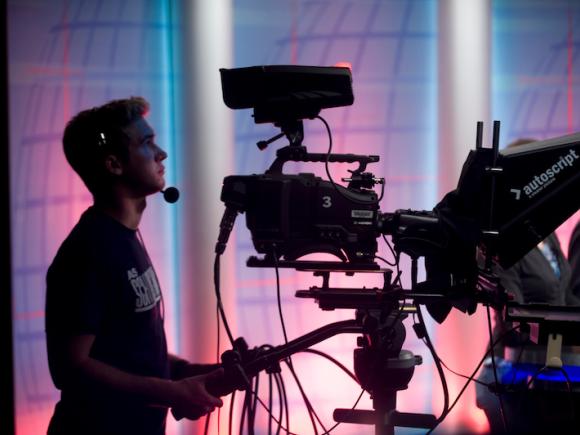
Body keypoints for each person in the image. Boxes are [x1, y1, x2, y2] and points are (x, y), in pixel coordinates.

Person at [45, 97, 223, 435]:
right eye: (146, 143)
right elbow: (70, 368)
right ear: (114, 164)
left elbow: (128, 352)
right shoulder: (88, 251)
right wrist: (171, 393)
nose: (161, 153)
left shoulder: (125, 239)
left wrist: (197, 372)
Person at [475, 138, 575, 434]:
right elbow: (511, 315)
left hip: (556, 370)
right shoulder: (500, 241)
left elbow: (564, 296)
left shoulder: (549, 235)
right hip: (515, 377)